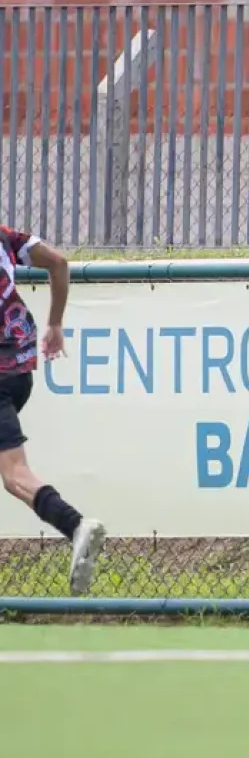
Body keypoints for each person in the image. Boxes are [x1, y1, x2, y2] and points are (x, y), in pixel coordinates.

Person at [0, 225, 105, 595]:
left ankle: (75, 525)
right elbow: (58, 264)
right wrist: (56, 323)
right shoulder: (4, 236)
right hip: (20, 368)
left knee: (15, 475)